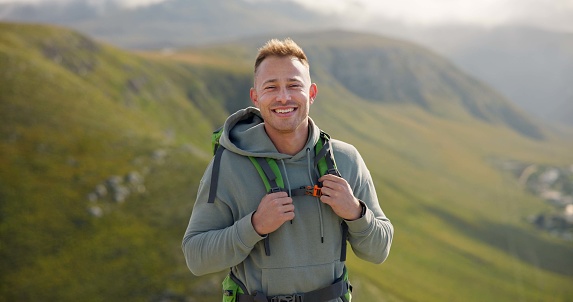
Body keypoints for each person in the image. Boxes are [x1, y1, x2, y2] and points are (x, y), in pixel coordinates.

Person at [182, 38, 393, 302]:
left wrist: (355, 212)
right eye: (271, 87)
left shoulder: (345, 159)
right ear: (256, 97)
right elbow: (196, 257)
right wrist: (254, 226)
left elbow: (379, 250)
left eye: (294, 85)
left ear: (312, 93)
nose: (284, 97)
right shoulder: (228, 165)